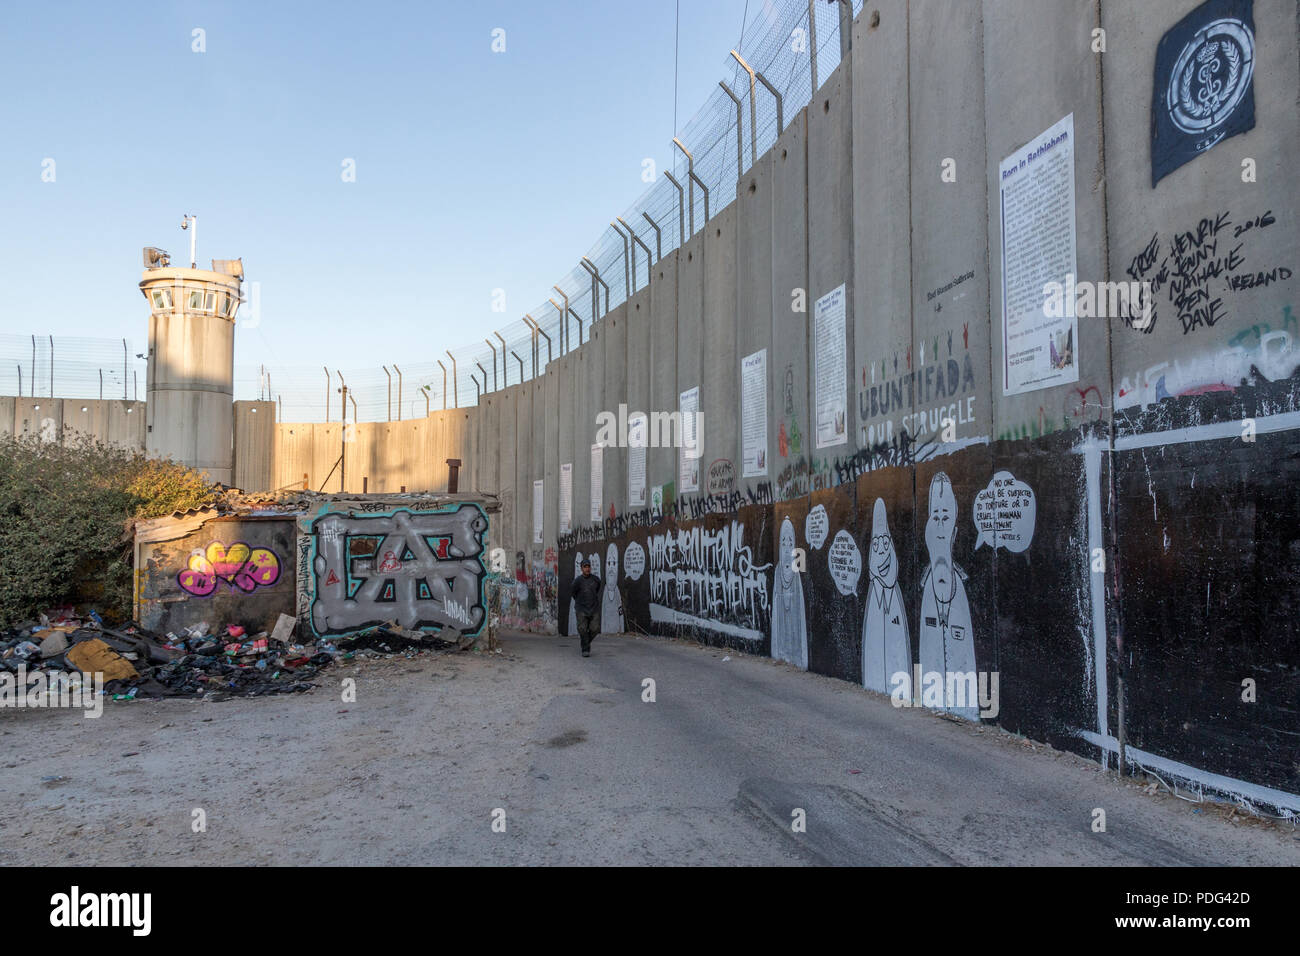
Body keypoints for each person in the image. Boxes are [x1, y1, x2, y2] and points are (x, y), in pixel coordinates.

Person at [572, 558, 602, 657]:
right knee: (582, 629)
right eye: (585, 567)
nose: (587, 569)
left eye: (588, 566)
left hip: (594, 608)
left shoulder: (596, 579)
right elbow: (573, 593)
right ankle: (585, 649)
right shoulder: (577, 581)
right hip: (581, 608)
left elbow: (597, 589)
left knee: (595, 629)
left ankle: (585, 642)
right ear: (581, 568)